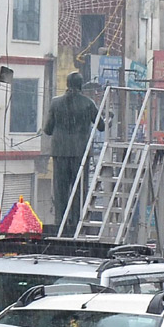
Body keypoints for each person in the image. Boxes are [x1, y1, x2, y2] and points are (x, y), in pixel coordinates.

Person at [43, 72, 105, 227]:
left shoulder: (55, 103)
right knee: (79, 189)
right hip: (80, 153)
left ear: (67, 84)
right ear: (80, 85)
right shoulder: (88, 103)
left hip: (60, 152)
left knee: (60, 189)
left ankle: (60, 222)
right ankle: (77, 222)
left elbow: (48, 129)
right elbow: (102, 126)